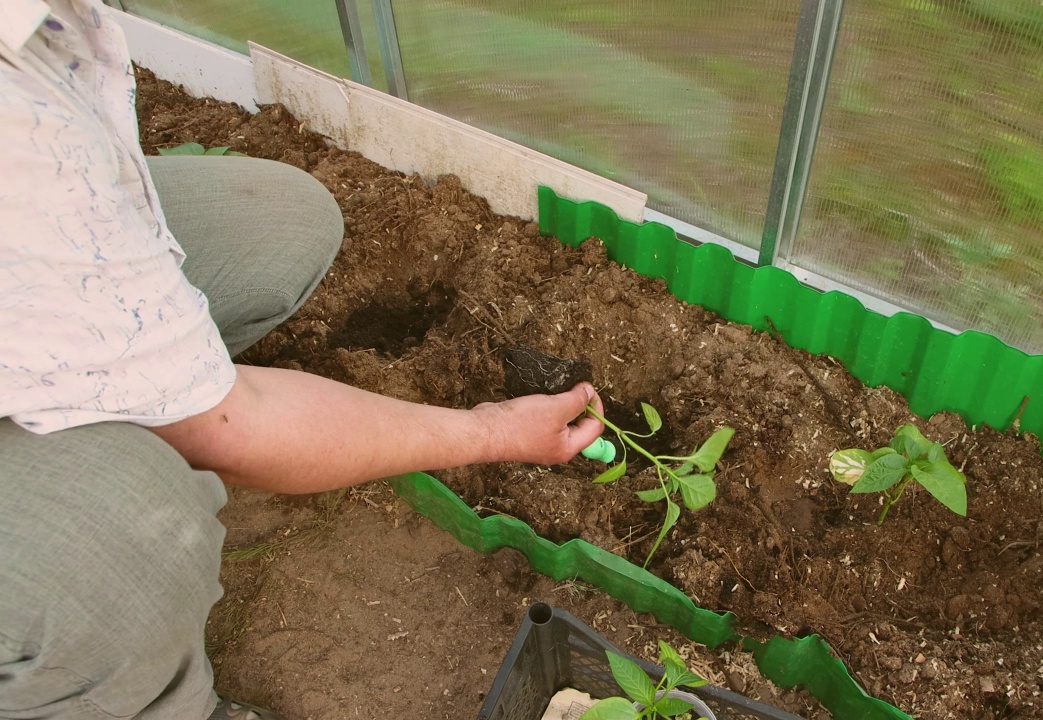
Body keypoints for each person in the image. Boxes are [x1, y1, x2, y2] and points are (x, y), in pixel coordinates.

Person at [0, 2, 605, 718]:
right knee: (140, 519)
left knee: (281, 224)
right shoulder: (25, 140)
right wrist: (494, 430)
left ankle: (137, 392)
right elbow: (235, 428)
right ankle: (157, 699)